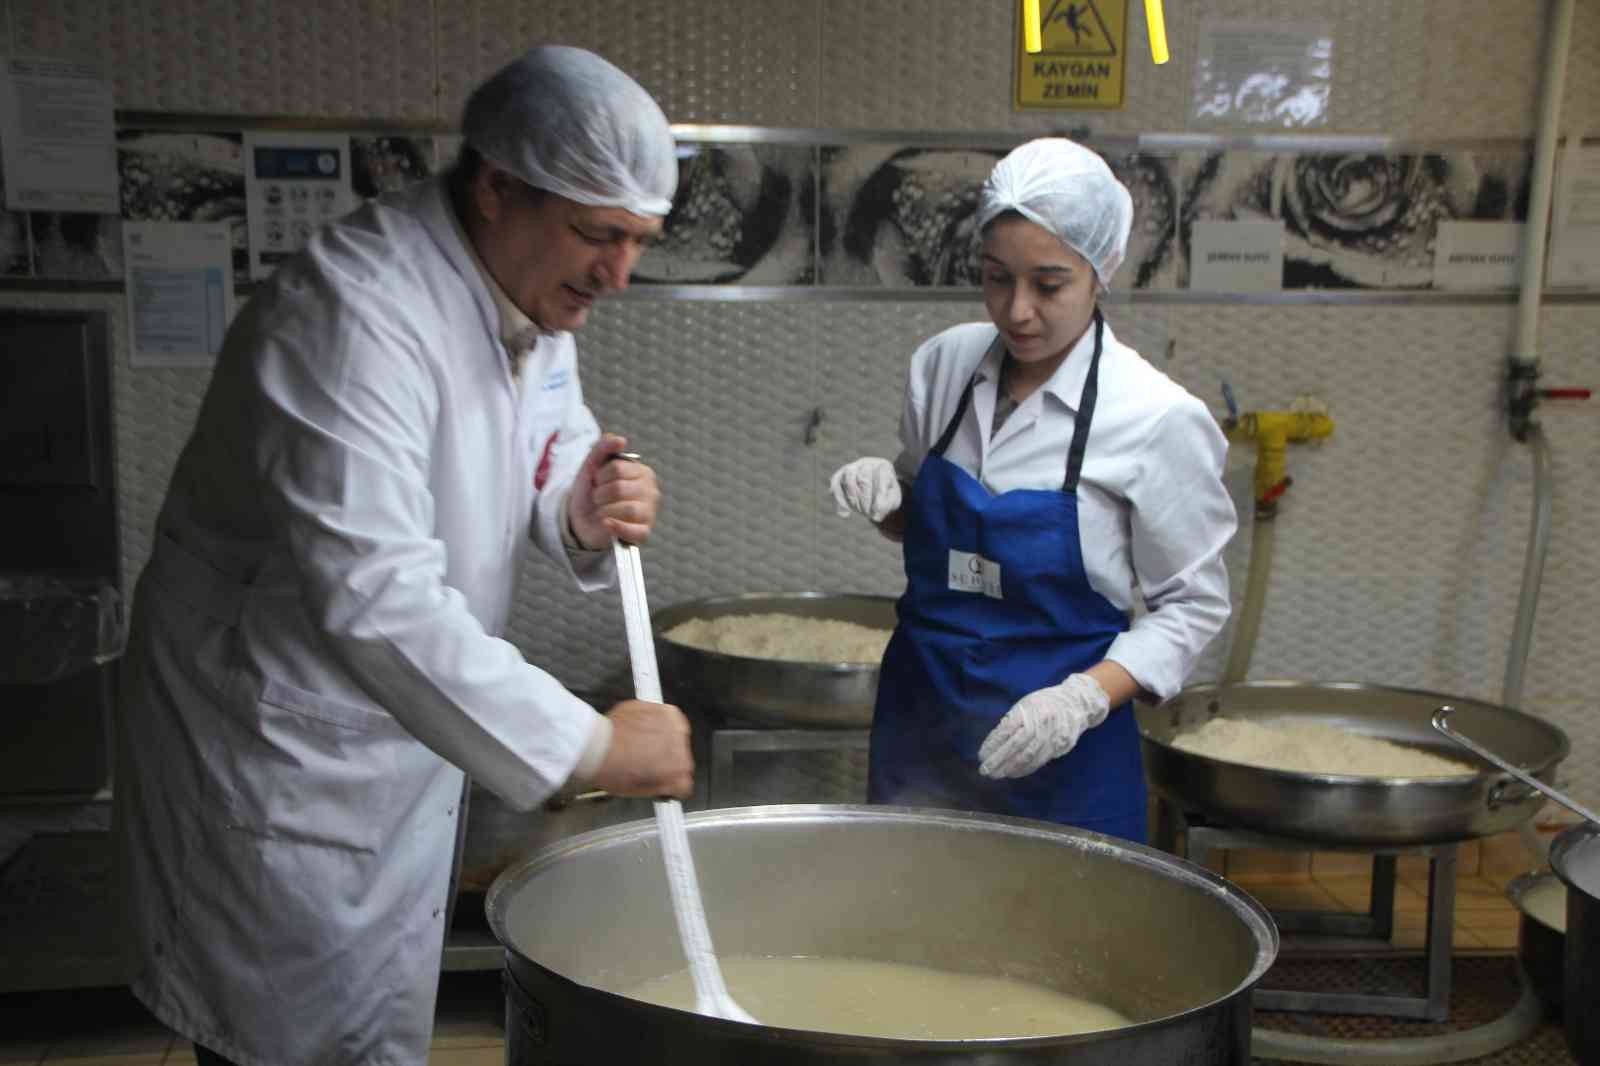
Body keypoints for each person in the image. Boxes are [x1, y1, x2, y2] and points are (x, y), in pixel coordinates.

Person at [113, 46, 694, 1066]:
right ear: (497, 187)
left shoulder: (527, 291)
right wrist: (592, 748)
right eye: (598, 235)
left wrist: (579, 504)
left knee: (368, 1023)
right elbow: (375, 596)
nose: (617, 274)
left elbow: (542, 435)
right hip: (280, 754)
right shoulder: (351, 314)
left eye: (637, 241)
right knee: (279, 1037)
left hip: (395, 732)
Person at [829, 138, 1235, 844]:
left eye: (1049, 285)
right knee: (908, 906)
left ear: (1102, 269)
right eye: (996, 278)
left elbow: (1192, 606)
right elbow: (927, 525)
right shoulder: (944, 365)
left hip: (1066, 766)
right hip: (923, 730)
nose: (1016, 311)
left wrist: (1080, 701)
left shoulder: (1156, 418)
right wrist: (892, 500)